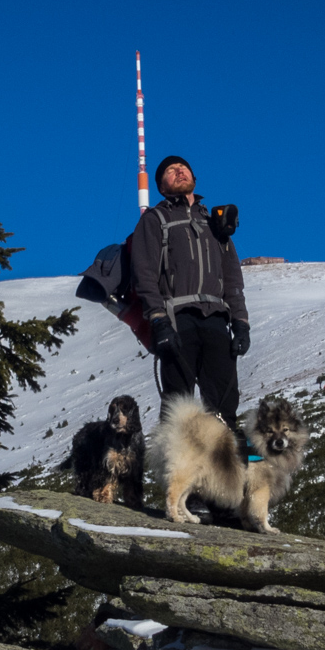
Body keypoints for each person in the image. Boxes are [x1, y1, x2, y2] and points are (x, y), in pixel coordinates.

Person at [128, 155, 252, 443]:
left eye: (183, 167)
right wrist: (158, 321)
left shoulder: (215, 224)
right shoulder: (155, 220)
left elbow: (232, 277)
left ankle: (221, 481)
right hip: (177, 320)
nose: (179, 171)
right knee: (178, 407)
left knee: (224, 406)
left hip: (217, 322)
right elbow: (144, 275)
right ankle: (179, 482)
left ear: (194, 177)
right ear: (161, 186)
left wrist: (241, 323)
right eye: (171, 171)